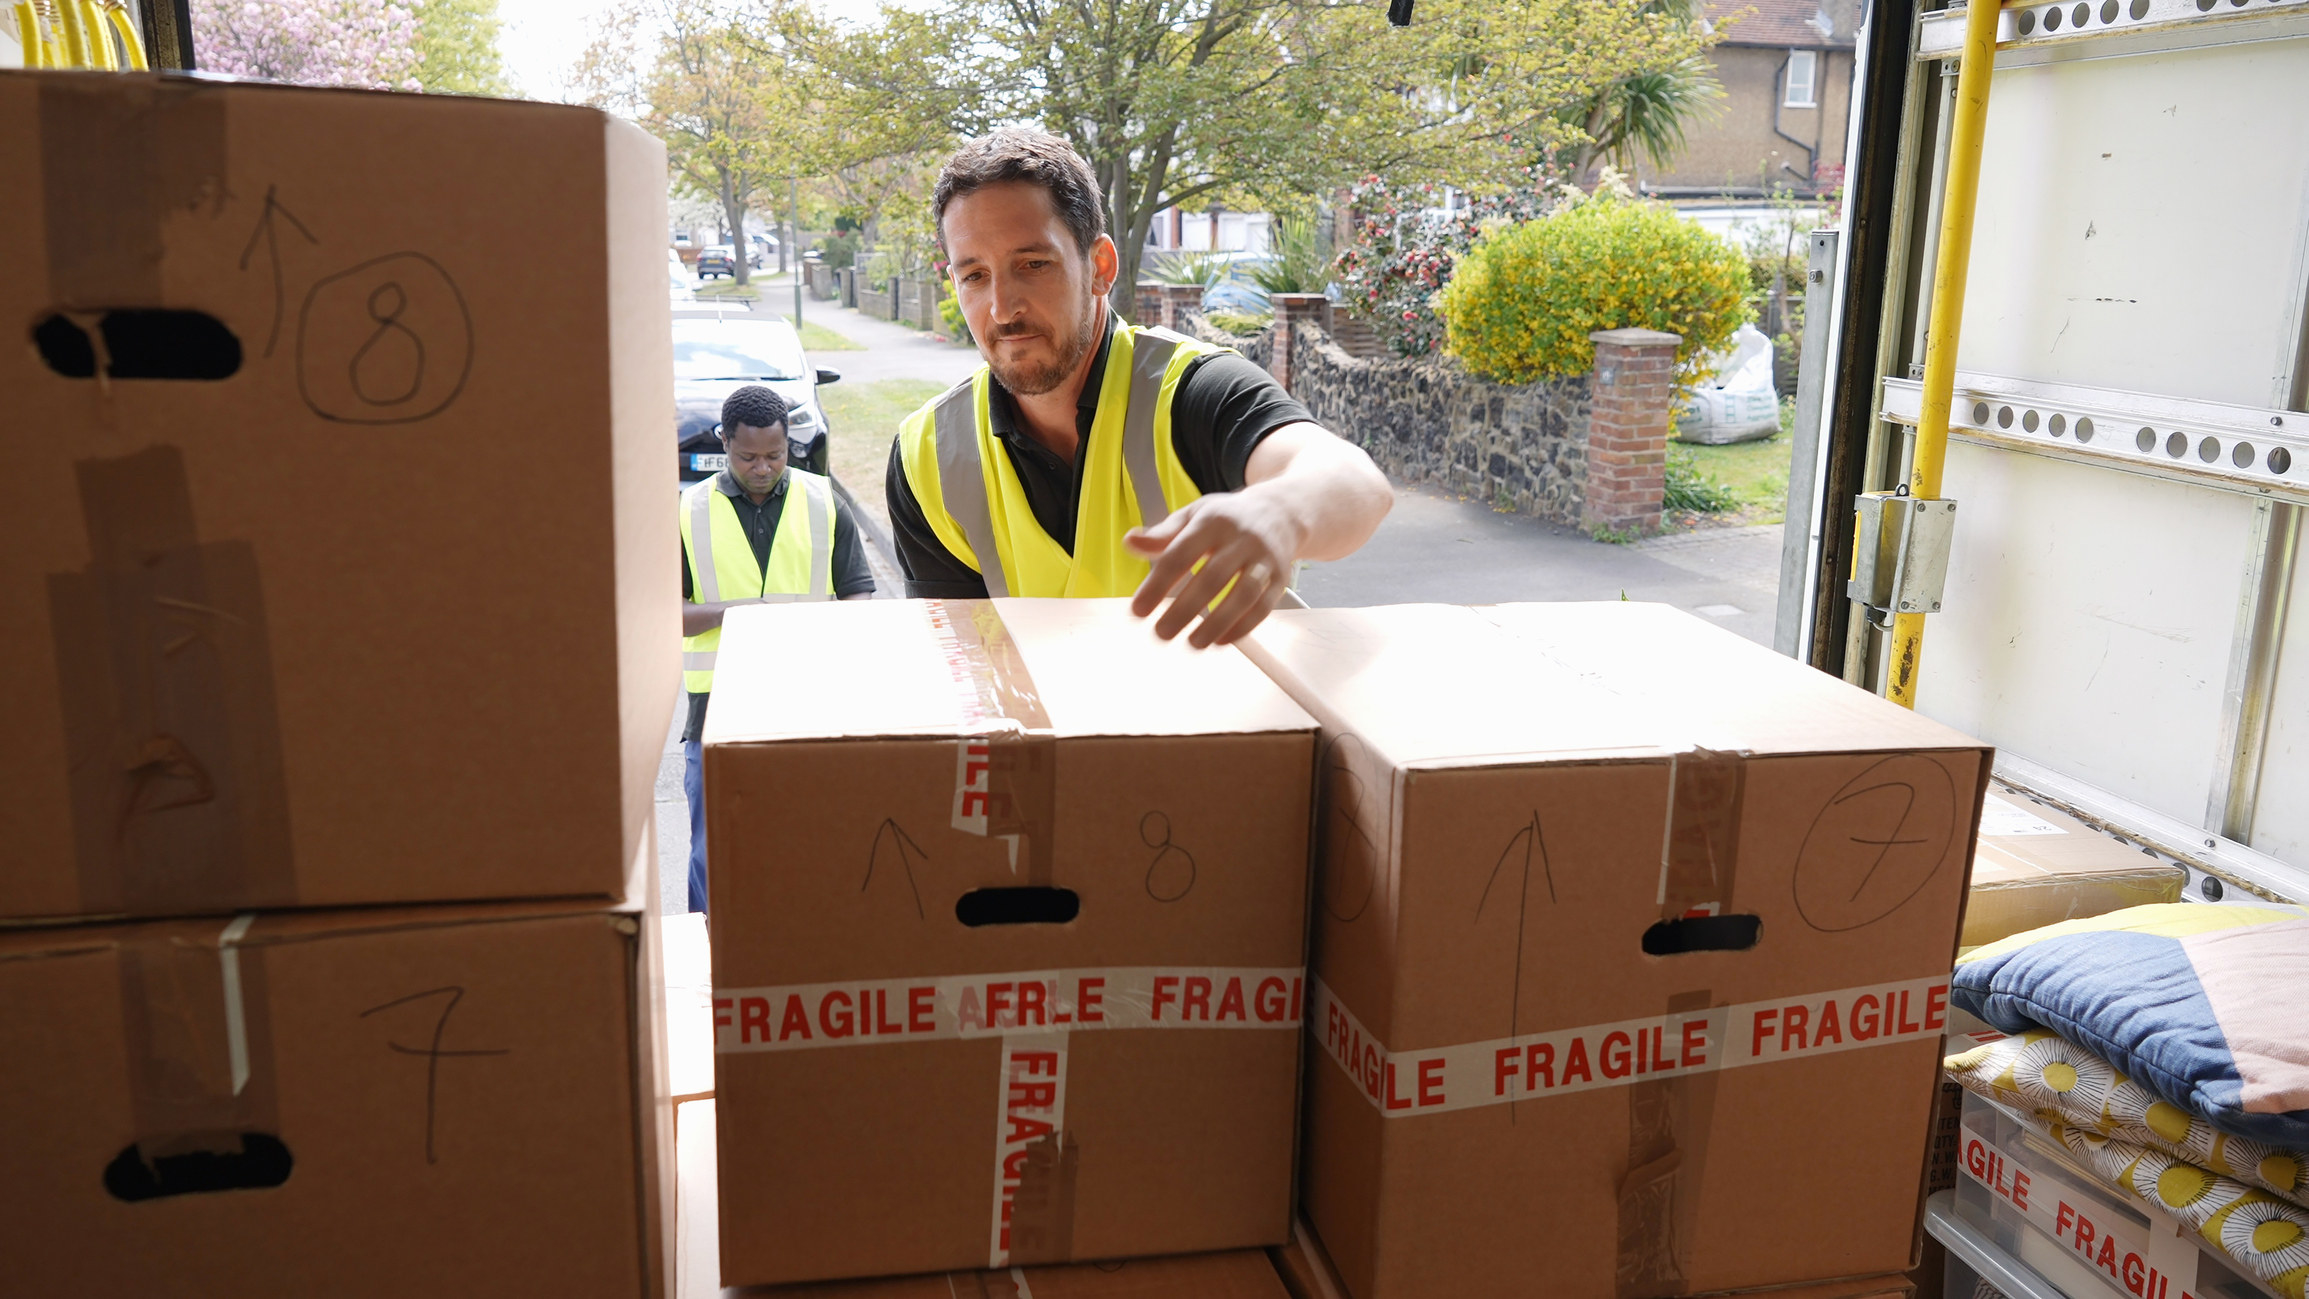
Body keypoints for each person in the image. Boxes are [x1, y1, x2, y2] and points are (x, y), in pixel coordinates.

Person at [886, 129, 1392, 648]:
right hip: (1044, 724)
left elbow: (1355, 482)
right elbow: (968, 664)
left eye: (1033, 264)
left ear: (1100, 267)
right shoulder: (928, 455)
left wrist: (1280, 512)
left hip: (1227, 723)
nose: (1002, 307)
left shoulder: (1194, 389)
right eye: (975, 276)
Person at [682, 385, 875, 912]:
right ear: (725, 443)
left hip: (809, 708)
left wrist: (823, 626)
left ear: (789, 442)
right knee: (711, 853)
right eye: (748, 457)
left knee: (810, 845)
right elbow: (663, 616)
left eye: (775, 454)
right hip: (714, 711)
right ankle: (706, 957)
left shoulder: (824, 502)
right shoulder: (688, 511)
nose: (763, 467)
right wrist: (745, 615)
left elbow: (860, 594)